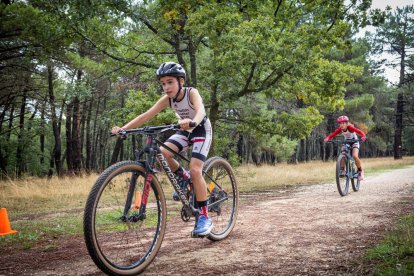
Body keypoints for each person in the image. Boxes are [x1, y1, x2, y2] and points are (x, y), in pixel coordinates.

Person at [111, 62, 213, 236]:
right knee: (163, 153)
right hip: (184, 130)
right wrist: (123, 129)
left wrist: (193, 120)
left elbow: (201, 110)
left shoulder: (191, 92)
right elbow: (146, 115)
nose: (166, 87)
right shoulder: (167, 99)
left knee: (196, 170)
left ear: (181, 81)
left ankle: (204, 216)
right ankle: (183, 177)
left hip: (201, 129)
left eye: (170, 82)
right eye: (163, 83)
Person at [324, 115, 367, 180]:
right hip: (347, 142)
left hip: (354, 142)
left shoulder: (350, 128)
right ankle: (342, 169)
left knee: (355, 156)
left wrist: (363, 136)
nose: (341, 125)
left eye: (343, 123)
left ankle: (360, 171)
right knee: (343, 153)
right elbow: (333, 134)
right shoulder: (340, 129)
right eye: (340, 123)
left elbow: (360, 132)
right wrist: (327, 138)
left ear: (346, 123)